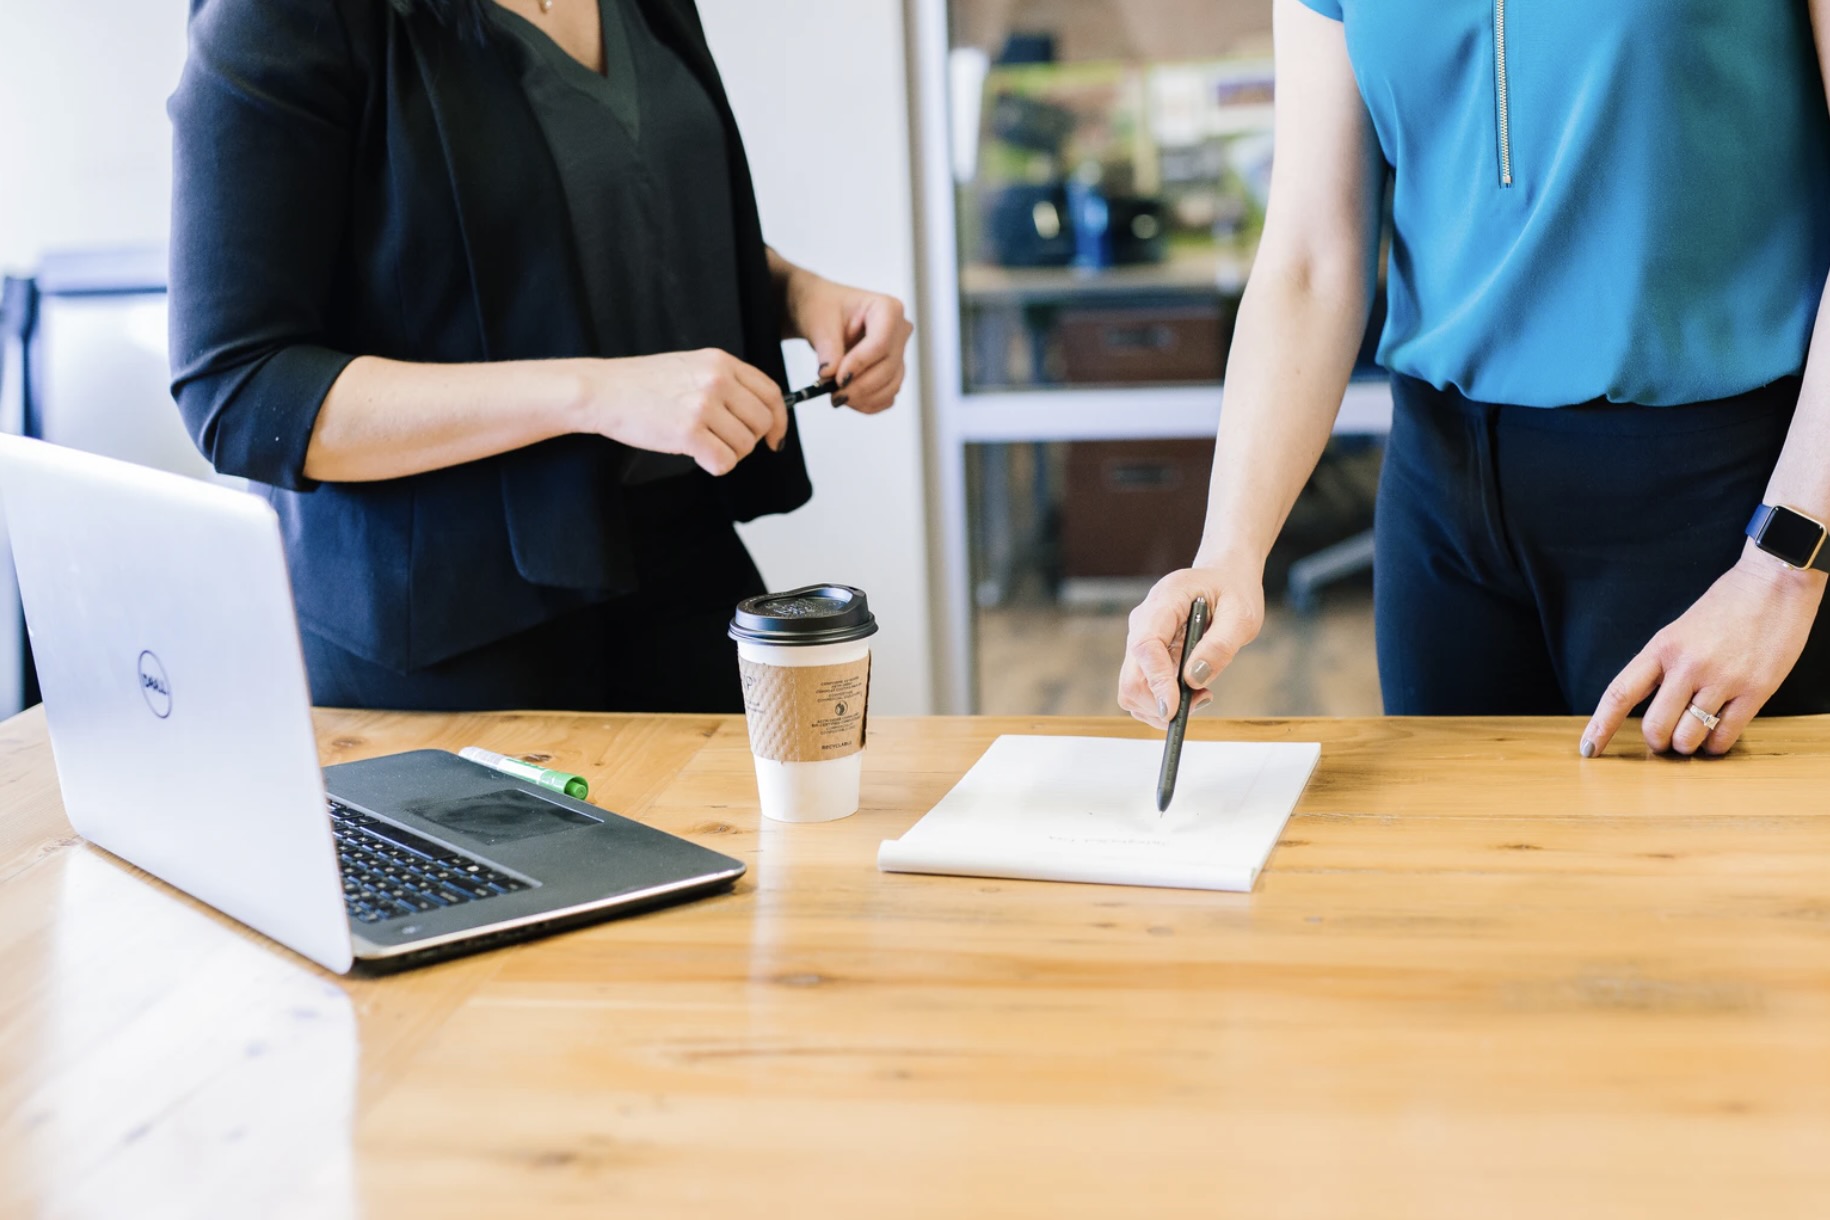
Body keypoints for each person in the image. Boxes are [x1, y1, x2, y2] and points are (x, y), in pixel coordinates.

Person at [1119, 0, 1830, 757]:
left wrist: (1784, 570)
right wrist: (1228, 550)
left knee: (1710, 871)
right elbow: (1309, 255)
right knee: (1457, 871)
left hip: (1726, 501)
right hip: (1442, 506)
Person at [168, 0, 913, 713]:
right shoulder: (280, 16)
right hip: (451, 629)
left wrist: (795, 295)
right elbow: (241, 388)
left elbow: (585, 223)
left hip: (680, 563)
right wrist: (592, 394)